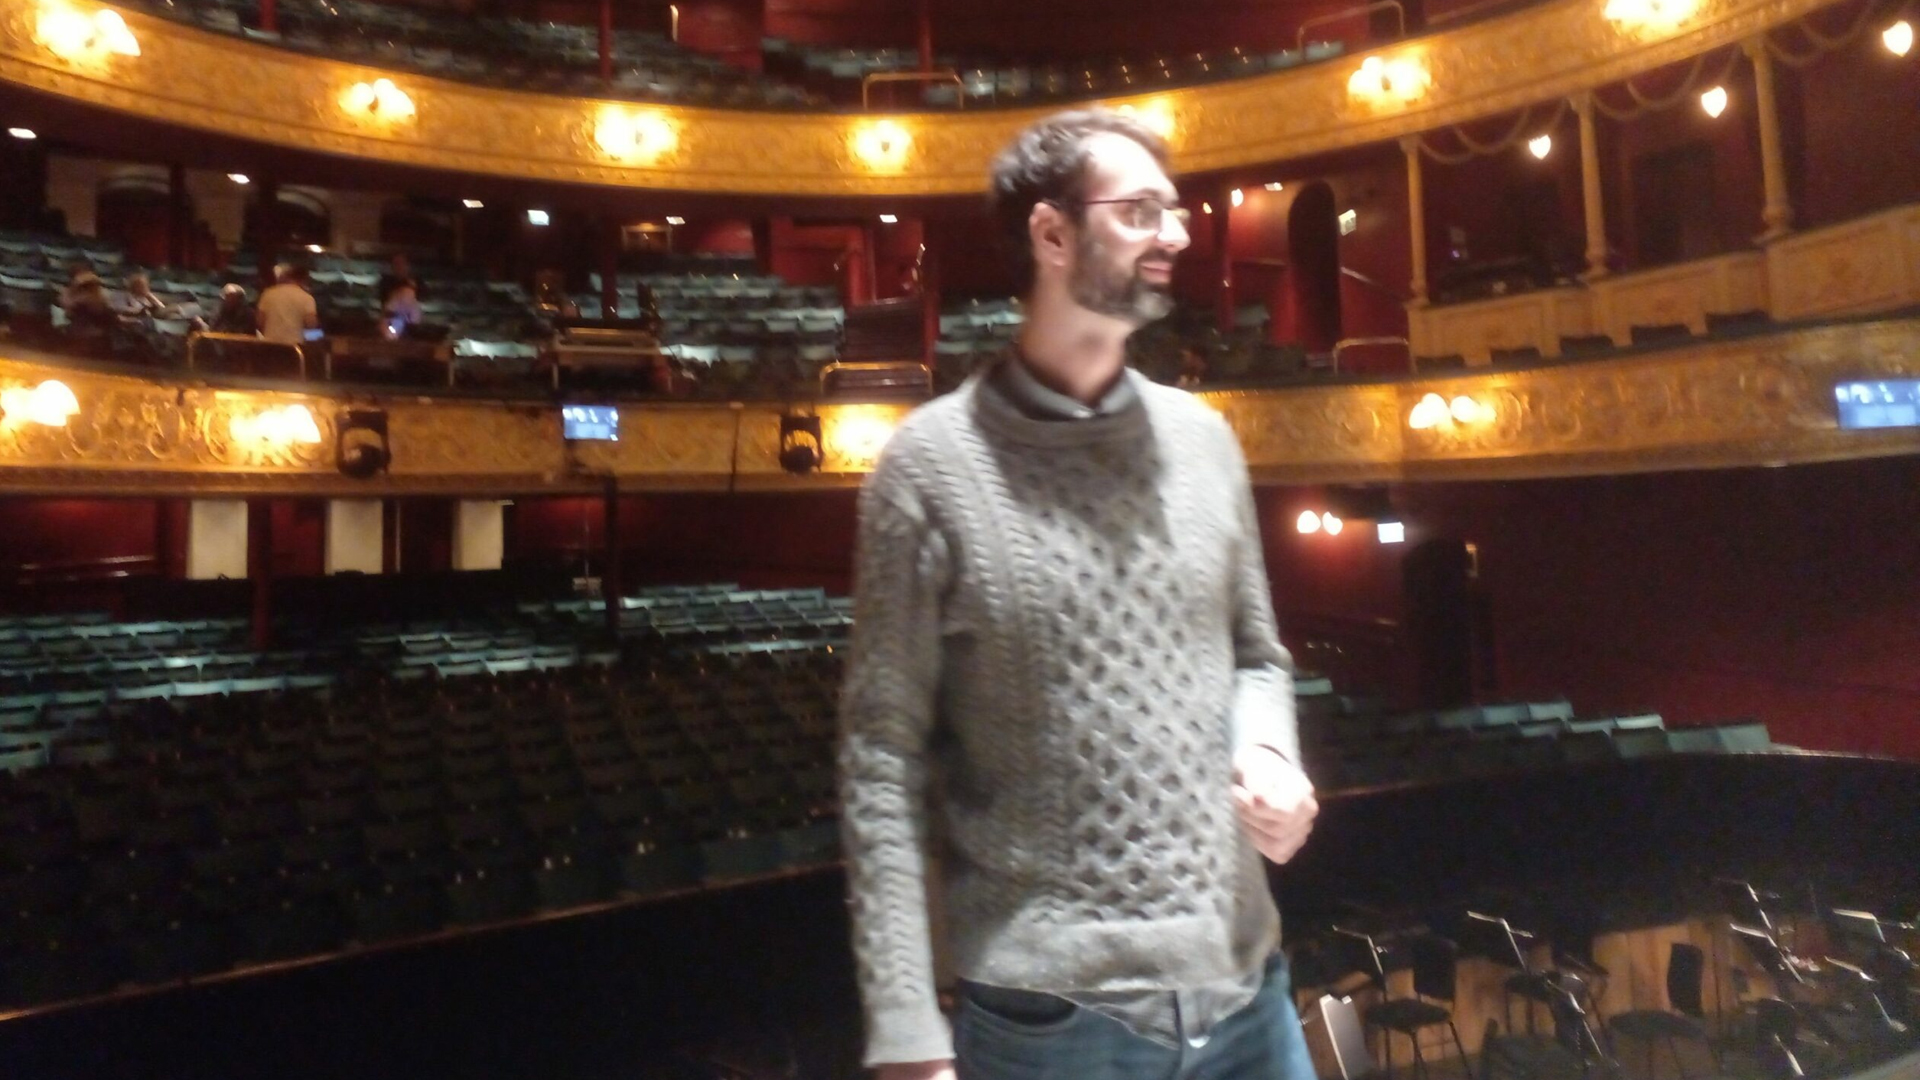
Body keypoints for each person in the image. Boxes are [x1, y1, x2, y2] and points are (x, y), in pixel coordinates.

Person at [838, 107, 1320, 1080]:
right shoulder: (927, 469)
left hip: (1247, 998)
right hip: (1054, 1027)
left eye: (1175, 211)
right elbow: (881, 758)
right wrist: (905, 1032)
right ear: (1051, 235)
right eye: (1141, 211)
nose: (1177, 234)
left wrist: (1269, 752)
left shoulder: (1206, 444)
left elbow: (1255, 657)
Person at [256, 263, 318, 346]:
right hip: (294, 346)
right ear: (303, 280)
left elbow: (259, 321)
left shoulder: (268, 294)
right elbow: (311, 324)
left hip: (269, 343)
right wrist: (315, 338)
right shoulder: (307, 298)